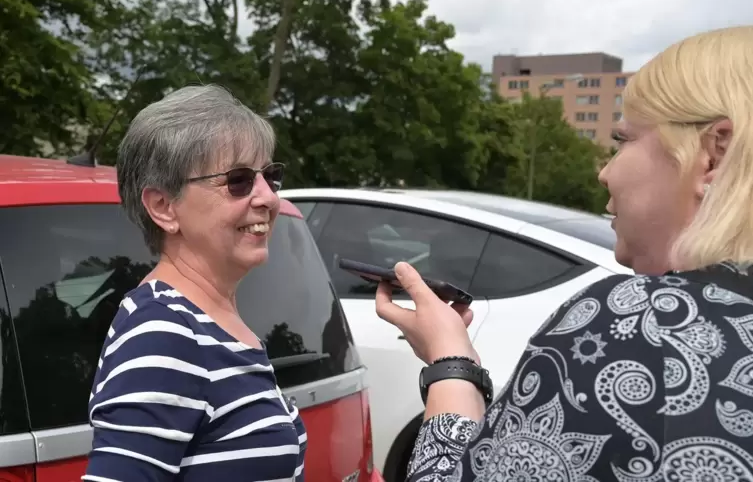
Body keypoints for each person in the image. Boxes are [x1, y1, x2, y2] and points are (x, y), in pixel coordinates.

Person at [376, 25, 753, 481]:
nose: (605, 173)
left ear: (714, 155)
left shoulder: (644, 326)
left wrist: (450, 364)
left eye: (623, 140)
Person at [83, 85, 306, 481]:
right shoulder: (163, 331)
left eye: (270, 176)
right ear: (164, 207)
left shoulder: (210, 319)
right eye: (238, 180)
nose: (268, 198)